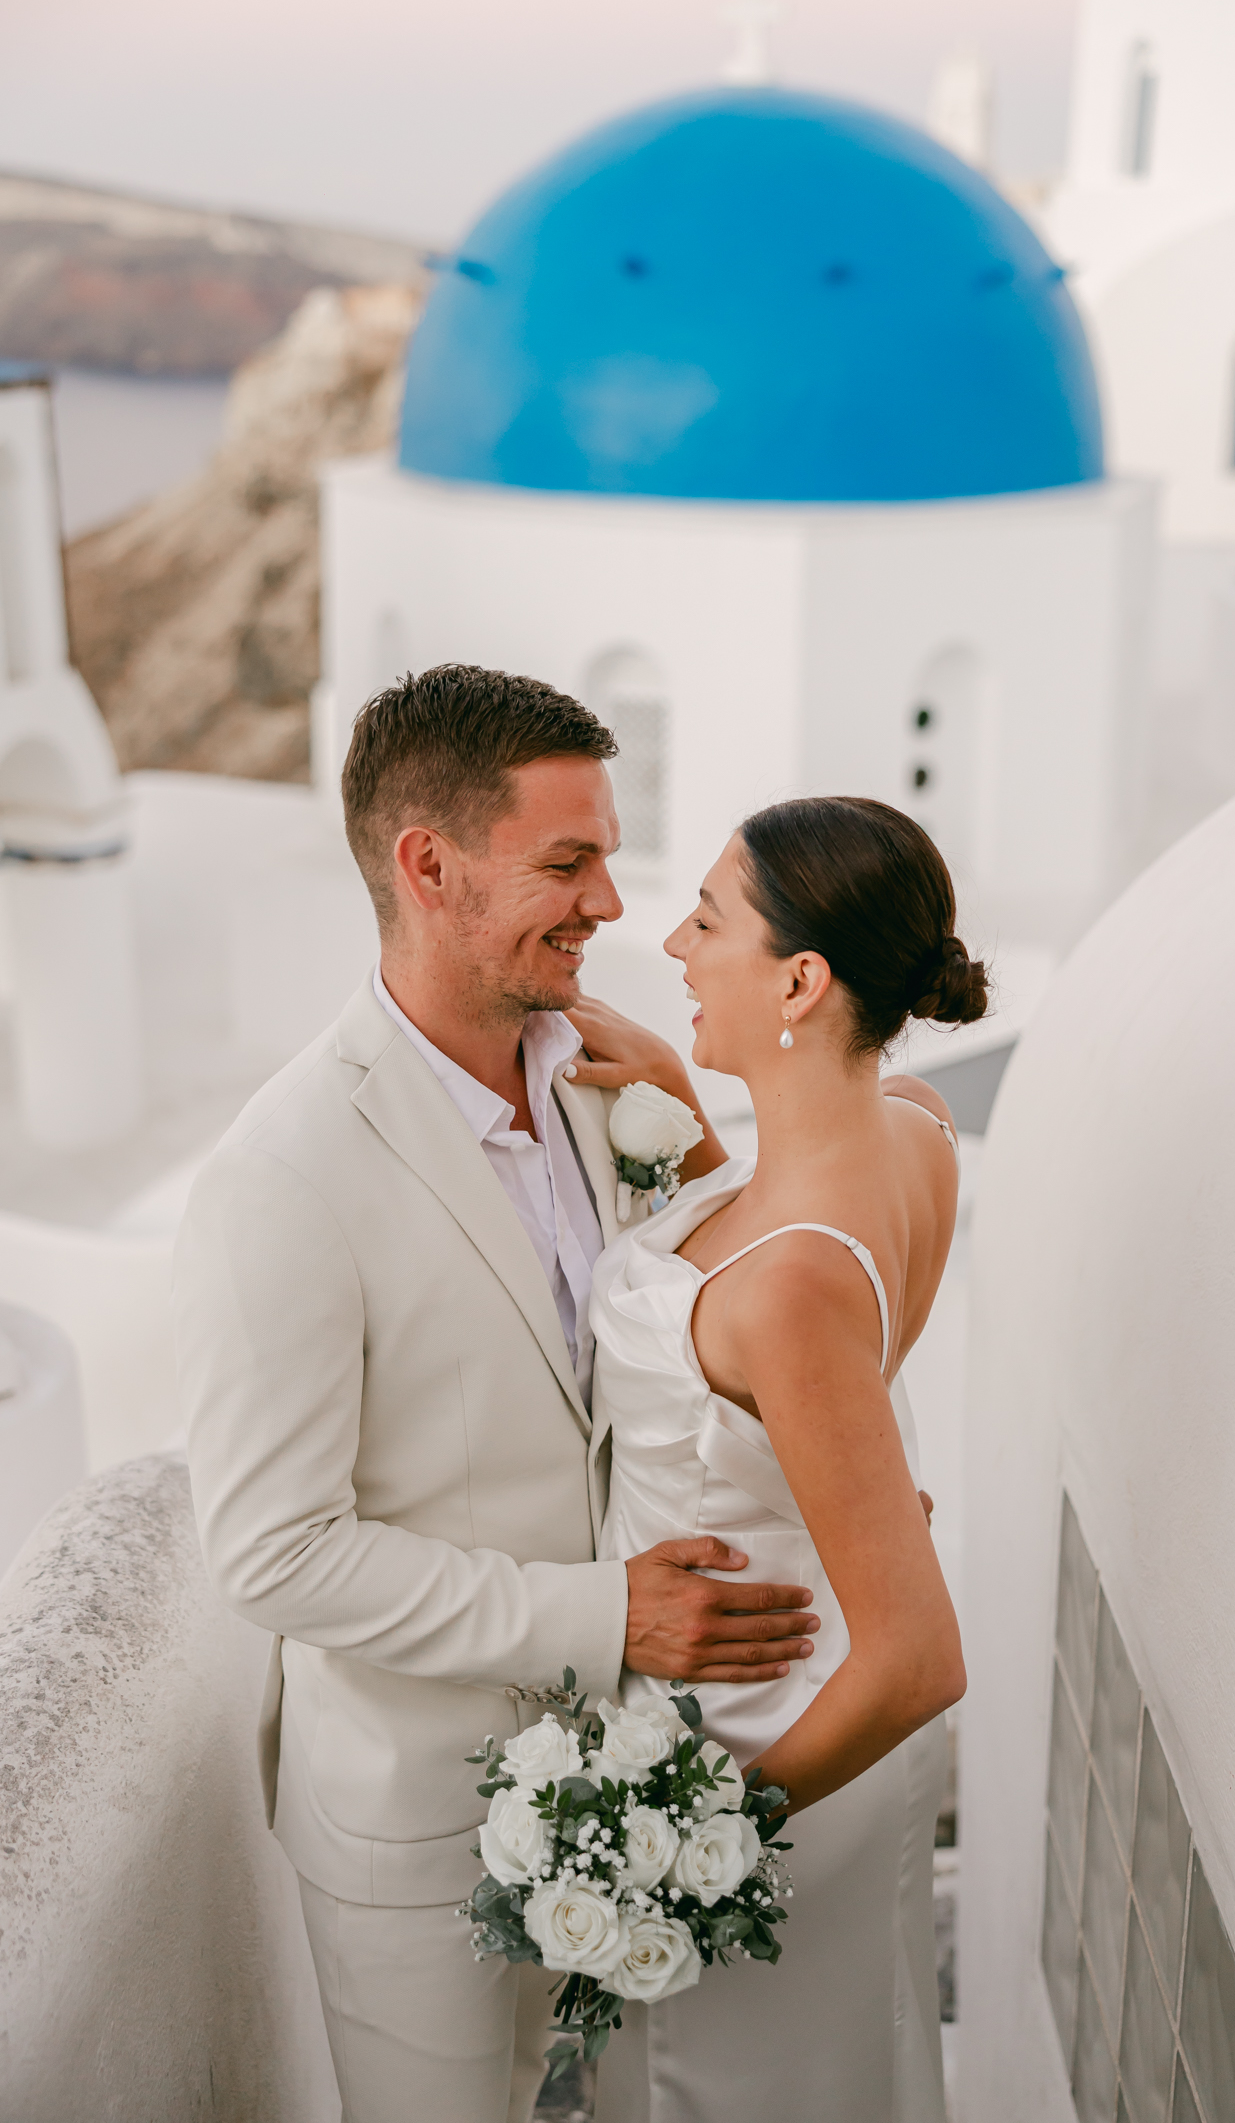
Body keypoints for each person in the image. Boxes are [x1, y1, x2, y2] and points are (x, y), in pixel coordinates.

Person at [175, 666, 822, 2123]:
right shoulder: (280, 1179)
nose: (611, 903)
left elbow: (683, 1343)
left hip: (627, 1789)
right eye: (567, 862)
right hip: (415, 1834)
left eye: (608, 855)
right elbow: (274, 1554)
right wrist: (607, 1619)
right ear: (428, 867)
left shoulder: (609, 1085)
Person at [576, 795, 980, 2123]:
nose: (673, 946)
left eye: (708, 921)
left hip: (767, 1738)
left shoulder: (791, 1285)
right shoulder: (915, 1130)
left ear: (802, 980)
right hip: (816, 1670)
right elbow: (793, 1364)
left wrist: (692, 1843)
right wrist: (688, 1115)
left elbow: (919, 1660)